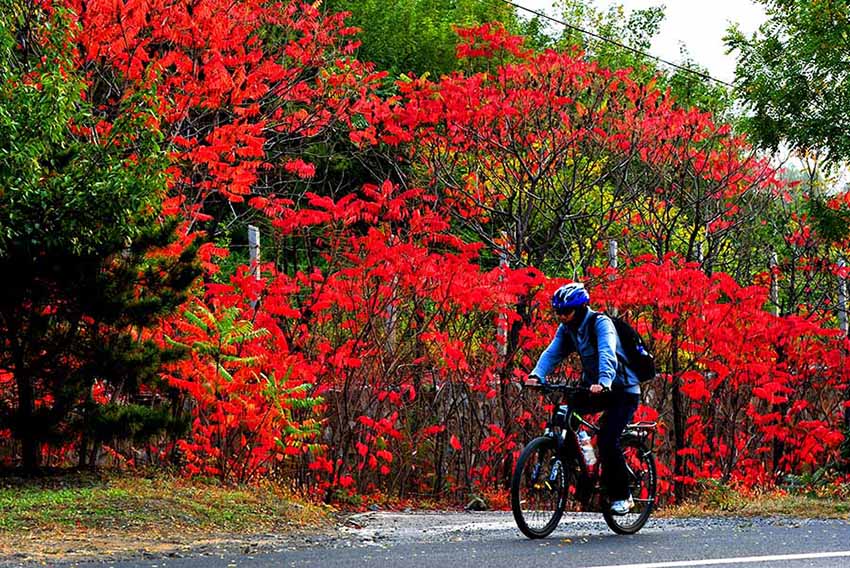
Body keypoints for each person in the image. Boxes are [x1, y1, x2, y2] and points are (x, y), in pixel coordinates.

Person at [525, 282, 640, 515]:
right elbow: (553, 351)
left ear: (580, 308)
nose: (562, 317)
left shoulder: (600, 324)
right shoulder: (567, 329)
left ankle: (623, 496)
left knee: (608, 440)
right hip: (594, 388)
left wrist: (605, 381)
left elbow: (608, 353)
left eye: (566, 312)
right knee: (567, 416)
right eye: (558, 312)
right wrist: (537, 374)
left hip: (622, 390)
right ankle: (581, 473)